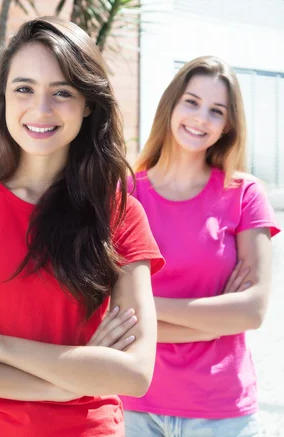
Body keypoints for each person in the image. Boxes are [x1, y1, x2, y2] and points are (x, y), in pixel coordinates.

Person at [0, 17, 165, 437]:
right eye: (24, 88)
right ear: (4, 96)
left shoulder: (119, 215)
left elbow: (133, 372)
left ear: (88, 104)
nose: (41, 109)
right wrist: (64, 383)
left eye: (62, 93)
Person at [121, 56, 280, 437]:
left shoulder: (244, 194)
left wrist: (146, 308)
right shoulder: (126, 193)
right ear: (172, 105)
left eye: (216, 111)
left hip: (222, 411)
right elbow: (109, 311)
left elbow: (252, 311)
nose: (200, 118)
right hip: (134, 405)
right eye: (191, 102)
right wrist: (209, 326)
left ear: (228, 126)